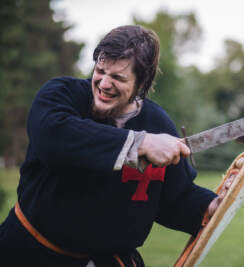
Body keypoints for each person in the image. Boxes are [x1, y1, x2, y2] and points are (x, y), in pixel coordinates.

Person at [0, 25, 224, 267]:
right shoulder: (61, 95)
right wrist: (140, 143)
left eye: (117, 77)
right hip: (27, 253)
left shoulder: (158, 124)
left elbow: (174, 198)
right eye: (100, 71)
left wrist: (210, 205)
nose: (104, 83)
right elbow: (54, 137)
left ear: (141, 83)